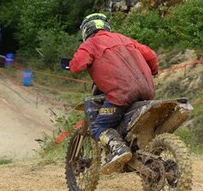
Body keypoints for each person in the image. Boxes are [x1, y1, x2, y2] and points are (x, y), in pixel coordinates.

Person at [68, 13, 159, 174]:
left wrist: (72, 64)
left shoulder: (90, 44)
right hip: (147, 91)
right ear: (106, 26)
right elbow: (151, 55)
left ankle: (118, 148)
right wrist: (154, 71)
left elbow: (77, 66)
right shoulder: (125, 39)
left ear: (86, 31)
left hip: (121, 94)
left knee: (99, 126)